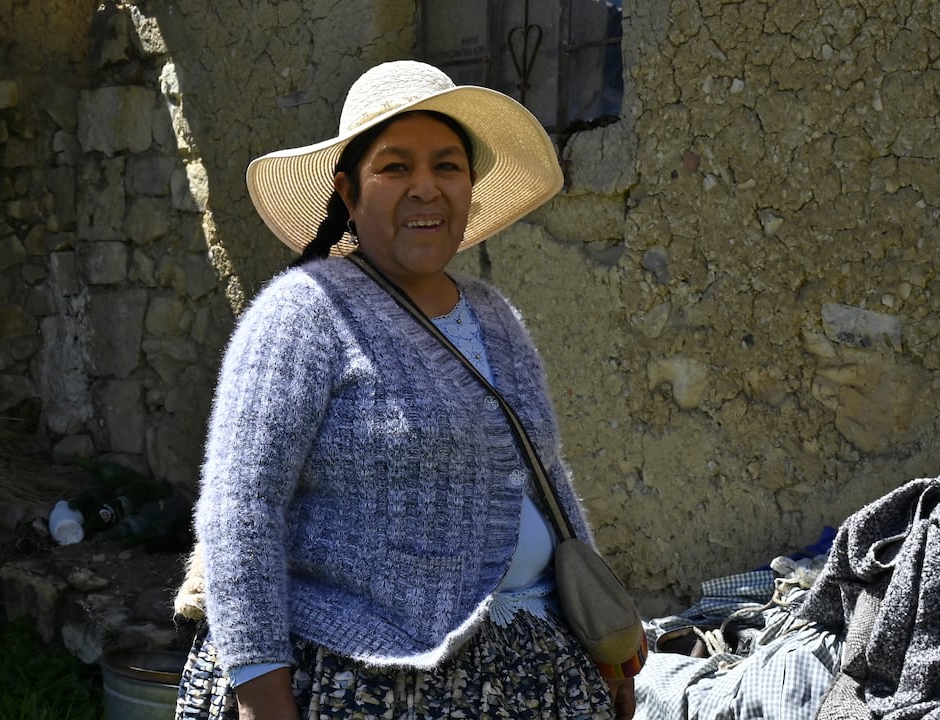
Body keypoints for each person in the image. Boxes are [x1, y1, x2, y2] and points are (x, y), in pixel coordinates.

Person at [172, 59, 643, 719]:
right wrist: (261, 701)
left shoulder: (495, 317)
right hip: (361, 680)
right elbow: (241, 514)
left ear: (470, 186)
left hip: (534, 668)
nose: (425, 188)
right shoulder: (302, 316)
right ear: (349, 191)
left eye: (446, 166)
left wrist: (603, 643)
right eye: (395, 168)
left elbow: (546, 478)